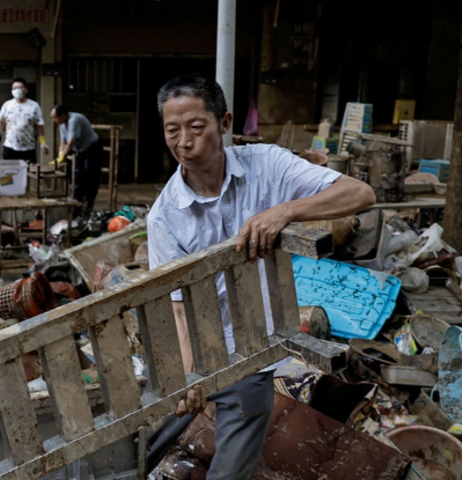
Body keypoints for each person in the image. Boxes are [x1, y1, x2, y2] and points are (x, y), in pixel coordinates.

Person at [146, 74, 375, 479]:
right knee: (139, 447)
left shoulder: (267, 165)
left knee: (231, 472)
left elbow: (360, 194)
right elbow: (178, 310)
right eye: (172, 130)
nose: (184, 141)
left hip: (250, 349)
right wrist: (190, 376)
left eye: (196, 127)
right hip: (193, 346)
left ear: (225, 122)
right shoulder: (165, 216)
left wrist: (284, 211)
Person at [50, 104, 102, 217]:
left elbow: (71, 141)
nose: (54, 120)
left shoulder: (74, 120)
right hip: (80, 151)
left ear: (63, 115)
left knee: (91, 176)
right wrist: (59, 156)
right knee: (79, 176)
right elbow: (63, 142)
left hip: (92, 148)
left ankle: (89, 204)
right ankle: (77, 205)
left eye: (55, 118)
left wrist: (63, 155)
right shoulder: (62, 123)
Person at [0, 78, 48, 162]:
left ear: (26, 90)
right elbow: (0, 123)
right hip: (10, 147)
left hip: (28, 147)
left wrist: (42, 142)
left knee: (28, 173)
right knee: (9, 173)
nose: (17, 90)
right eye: (14, 88)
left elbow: (39, 125)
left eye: (20, 87)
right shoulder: (7, 105)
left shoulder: (34, 106)